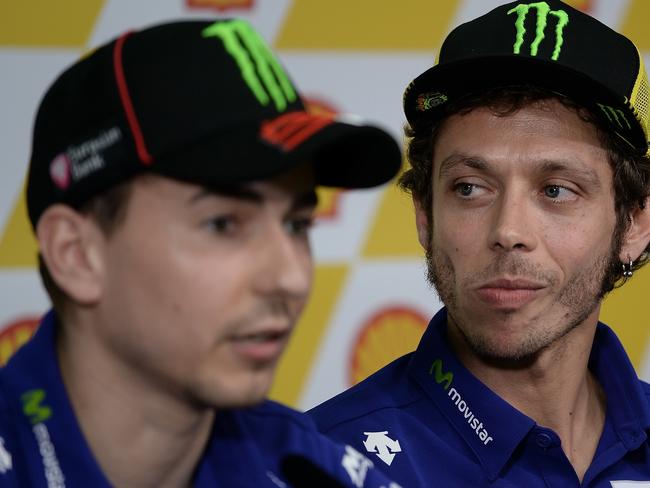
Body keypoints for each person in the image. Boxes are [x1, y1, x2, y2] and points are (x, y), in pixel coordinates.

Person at [0, 18, 404, 487]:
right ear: (76, 254)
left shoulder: (311, 469)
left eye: (296, 224)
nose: (290, 277)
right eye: (223, 223)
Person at [308, 1, 650, 486]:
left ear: (635, 224)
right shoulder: (321, 467)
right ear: (425, 216)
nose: (508, 231)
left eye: (556, 190)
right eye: (470, 188)